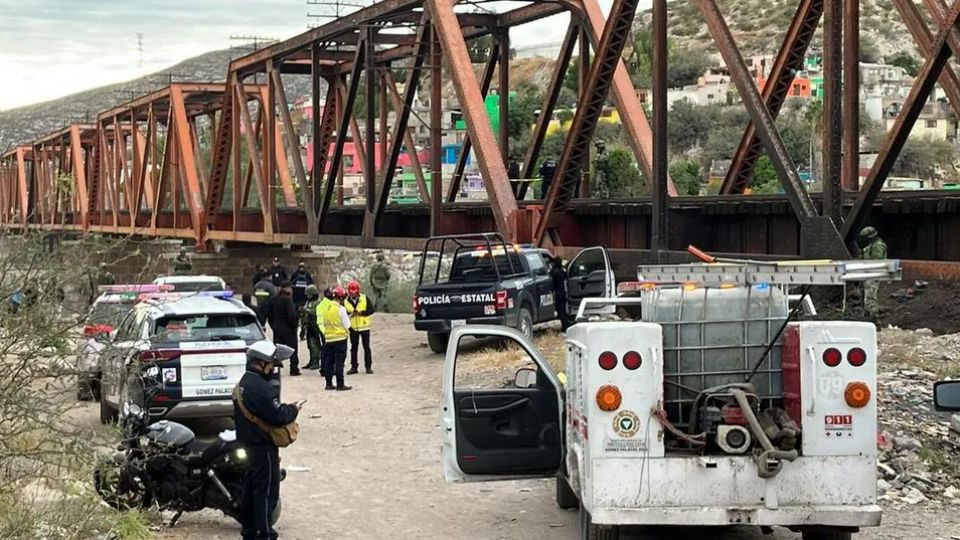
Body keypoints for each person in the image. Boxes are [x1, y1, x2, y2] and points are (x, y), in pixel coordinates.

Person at [233, 340, 300, 540]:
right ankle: (265, 533)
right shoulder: (260, 387)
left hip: (246, 445)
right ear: (261, 363)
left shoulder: (244, 383)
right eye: (271, 364)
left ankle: (249, 531)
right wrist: (293, 409)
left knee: (250, 489)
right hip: (262, 447)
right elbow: (276, 416)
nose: (273, 369)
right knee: (266, 492)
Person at [318, 286, 352, 391]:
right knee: (339, 362)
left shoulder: (326, 308)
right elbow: (347, 325)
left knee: (329, 361)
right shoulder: (340, 309)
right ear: (341, 298)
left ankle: (328, 384)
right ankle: (340, 384)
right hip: (340, 339)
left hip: (329, 339)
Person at [267, 281, 301, 376]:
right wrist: (295, 324)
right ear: (286, 288)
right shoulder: (287, 300)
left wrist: (273, 325)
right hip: (288, 329)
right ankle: (294, 369)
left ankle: (274, 369)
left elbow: (269, 314)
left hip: (277, 328)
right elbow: (291, 315)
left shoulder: (273, 299)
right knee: (292, 349)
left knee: (277, 350)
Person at [345, 280, 376, 375]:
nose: (353, 295)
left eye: (355, 293)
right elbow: (342, 312)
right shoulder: (345, 301)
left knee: (366, 347)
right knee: (354, 348)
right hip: (353, 327)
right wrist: (350, 314)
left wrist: (361, 313)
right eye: (352, 293)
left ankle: (368, 367)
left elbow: (371, 310)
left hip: (364, 326)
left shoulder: (365, 298)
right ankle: (354, 367)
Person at [858, 226, 888, 323]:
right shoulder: (870, 246)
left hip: (874, 275)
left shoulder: (878, 246)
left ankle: (875, 320)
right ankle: (866, 320)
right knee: (864, 300)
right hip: (867, 274)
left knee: (870, 300)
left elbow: (877, 262)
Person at [300, 285, 323, 371]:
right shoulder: (308, 302)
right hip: (308, 325)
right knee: (309, 344)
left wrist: (306, 310)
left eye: (309, 294)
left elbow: (316, 312)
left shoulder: (318, 302)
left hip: (315, 325)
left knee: (315, 344)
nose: (307, 296)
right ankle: (311, 360)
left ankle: (316, 361)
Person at [549, 255, 570, 331]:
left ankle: (564, 326)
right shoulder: (562, 271)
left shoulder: (554, 272)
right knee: (563, 310)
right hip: (563, 293)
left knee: (560, 311)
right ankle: (565, 325)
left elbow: (550, 279)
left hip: (557, 294)